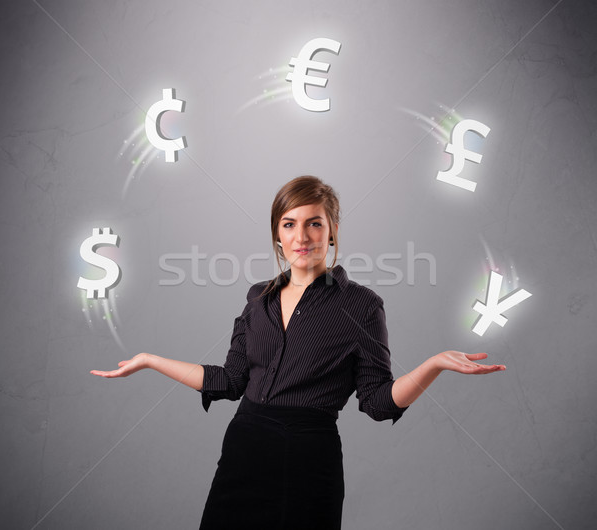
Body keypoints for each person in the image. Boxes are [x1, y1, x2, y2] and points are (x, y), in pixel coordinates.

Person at [90, 175, 506, 529]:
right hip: (244, 449)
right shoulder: (258, 299)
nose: (301, 236)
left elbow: (378, 402)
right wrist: (150, 360)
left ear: (332, 231)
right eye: (289, 224)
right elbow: (230, 381)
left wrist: (433, 365)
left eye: (314, 224)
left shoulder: (362, 305)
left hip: (308, 457)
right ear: (277, 233)